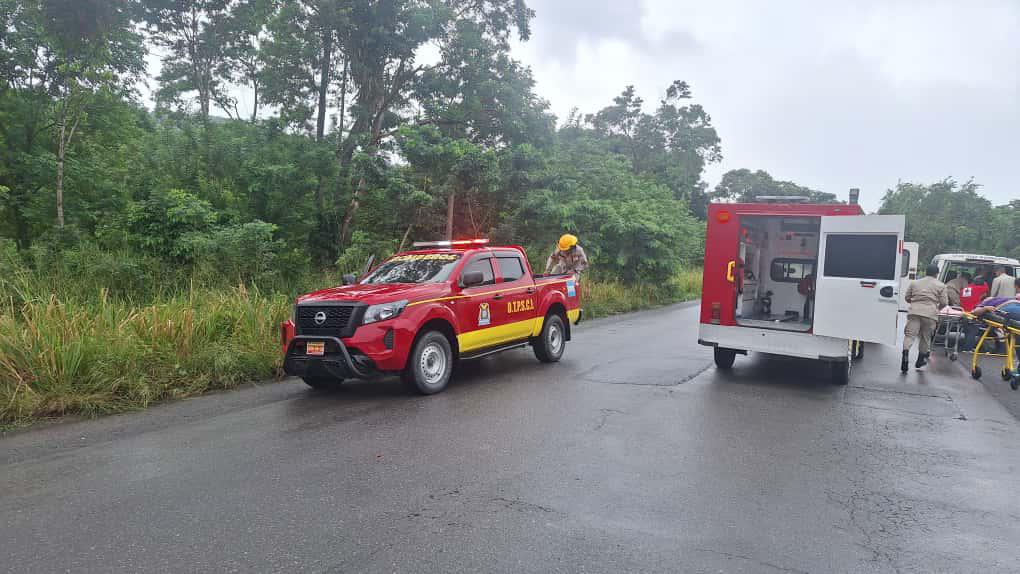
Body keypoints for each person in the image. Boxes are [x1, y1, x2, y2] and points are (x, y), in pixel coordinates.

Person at [901, 264, 948, 373]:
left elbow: (907, 297)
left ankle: (905, 356)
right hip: (930, 313)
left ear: (926, 272)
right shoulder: (941, 285)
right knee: (925, 337)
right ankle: (920, 360)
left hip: (914, 312)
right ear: (937, 274)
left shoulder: (914, 283)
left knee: (909, 336)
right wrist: (937, 308)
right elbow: (944, 302)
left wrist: (915, 303)